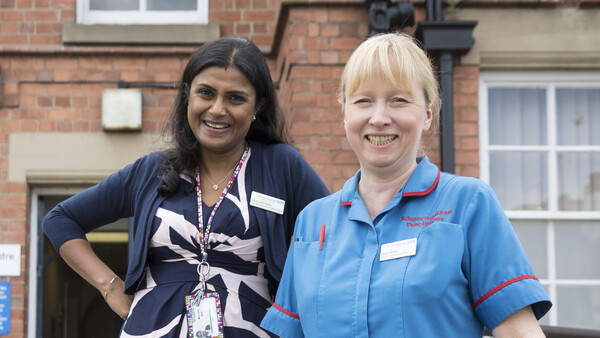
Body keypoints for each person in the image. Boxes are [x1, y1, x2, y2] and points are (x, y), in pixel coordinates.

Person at [260, 33, 552, 337]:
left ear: (427, 113)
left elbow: (520, 332)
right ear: (345, 113)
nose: (379, 117)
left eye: (398, 100)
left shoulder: (468, 204)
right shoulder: (312, 221)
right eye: (363, 101)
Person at [43, 37, 329, 338]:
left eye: (235, 98)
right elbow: (60, 220)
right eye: (206, 93)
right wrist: (110, 286)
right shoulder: (151, 171)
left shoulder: (281, 166)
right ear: (188, 96)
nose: (217, 109)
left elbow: (334, 234)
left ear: (257, 105)